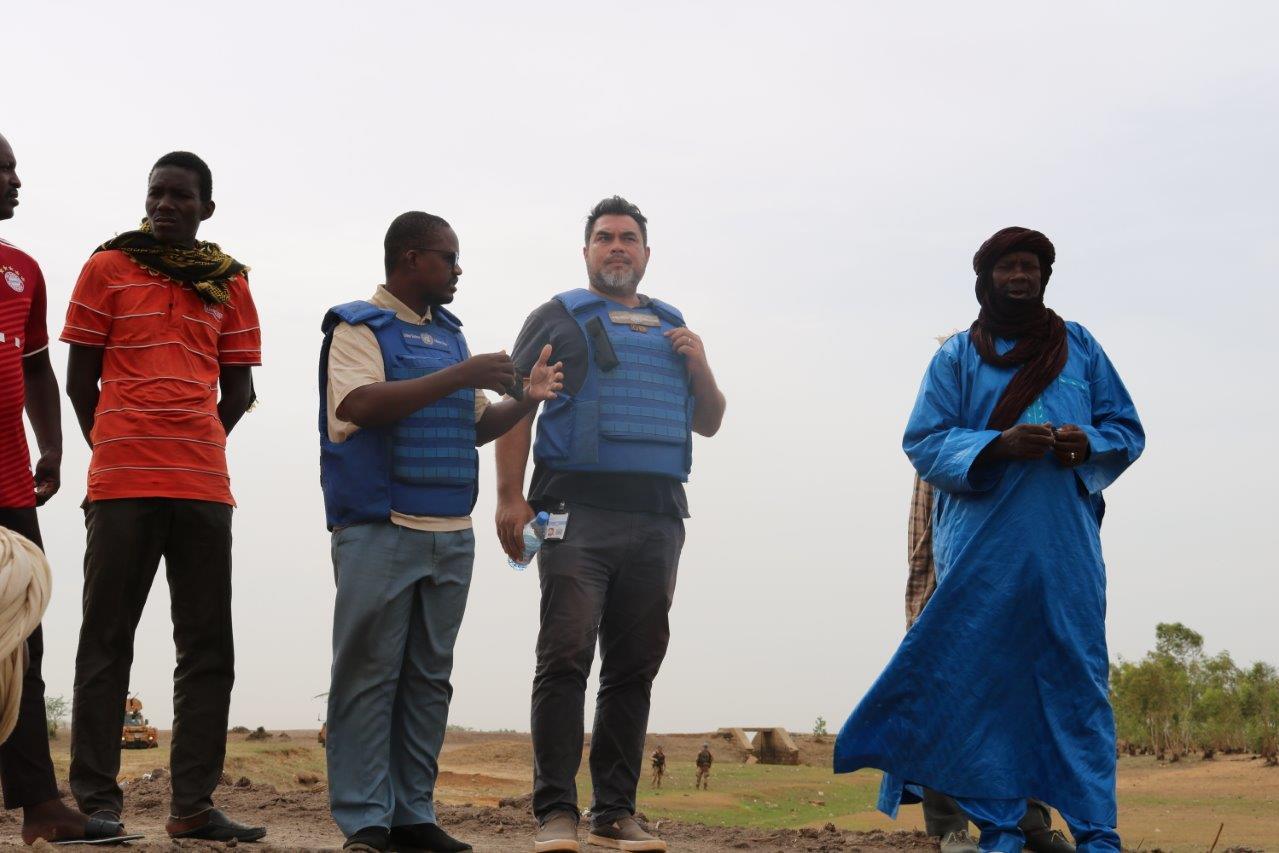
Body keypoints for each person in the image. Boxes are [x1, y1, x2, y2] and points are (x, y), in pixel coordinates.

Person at [834, 227, 1144, 853]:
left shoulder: (1081, 346)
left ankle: (1096, 832)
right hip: (979, 549)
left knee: (1076, 682)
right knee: (979, 686)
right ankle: (998, 830)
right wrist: (997, 445)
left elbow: (1125, 428)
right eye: (1008, 267)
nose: (1020, 276)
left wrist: (1087, 442)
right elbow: (923, 440)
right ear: (985, 280)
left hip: (1065, 551)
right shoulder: (955, 357)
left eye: (1030, 266)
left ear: (1045, 277)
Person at [319, 211, 563, 853]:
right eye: (448, 258)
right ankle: (365, 820)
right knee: (368, 676)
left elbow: (477, 426)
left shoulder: (451, 338)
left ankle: (412, 814)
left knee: (429, 680)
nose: (457, 270)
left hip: (451, 532)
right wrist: (463, 374)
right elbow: (359, 405)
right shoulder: (357, 327)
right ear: (410, 259)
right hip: (380, 527)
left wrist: (528, 398)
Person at [495, 196, 726, 853]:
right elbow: (517, 404)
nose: (616, 246)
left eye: (628, 238)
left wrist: (701, 363)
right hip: (573, 513)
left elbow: (709, 421)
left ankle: (614, 813)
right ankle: (555, 813)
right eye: (604, 237)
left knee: (634, 665)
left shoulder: (674, 327)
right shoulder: (555, 317)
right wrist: (509, 499)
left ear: (646, 253)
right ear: (586, 251)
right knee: (565, 656)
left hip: (658, 517)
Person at [61, 151, 265, 842]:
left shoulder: (229, 281)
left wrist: (194, 440)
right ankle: (96, 803)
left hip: (202, 485)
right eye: (156, 193)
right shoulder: (107, 267)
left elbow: (239, 389)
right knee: (105, 641)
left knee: (208, 647)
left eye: (180, 196)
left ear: (207, 207)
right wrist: (117, 444)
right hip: (121, 482)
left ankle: (193, 808)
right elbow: (79, 381)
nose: (165, 205)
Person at [0, 133, 135, 846]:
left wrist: (50, 446)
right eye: (3, 169)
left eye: (15, 167)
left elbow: (34, 366)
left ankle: (40, 806)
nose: (16, 180)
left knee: (21, 645)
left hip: (10, 488)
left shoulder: (22, 271)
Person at [907, 472, 1074, 853]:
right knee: (943, 700)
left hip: (1020, 581)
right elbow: (923, 528)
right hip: (953, 583)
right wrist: (921, 609)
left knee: (1023, 698)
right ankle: (950, 826)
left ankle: (1030, 819)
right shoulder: (941, 441)